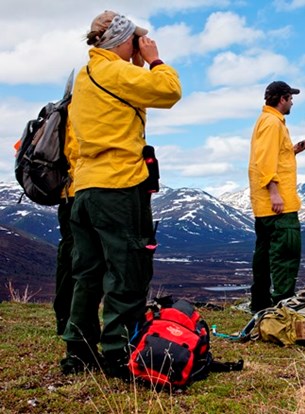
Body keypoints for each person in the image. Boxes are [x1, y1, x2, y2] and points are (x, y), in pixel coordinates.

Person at [60, 10, 182, 377]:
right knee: (126, 271)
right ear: (123, 40)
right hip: (118, 186)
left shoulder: (84, 75)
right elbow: (170, 91)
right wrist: (155, 59)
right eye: (135, 40)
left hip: (84, 189)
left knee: (88, 274)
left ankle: (78, 352)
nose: (139, 46)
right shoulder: (115, 71)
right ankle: (118, 353)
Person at [248, 81, 305, 313]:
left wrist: (292, 151)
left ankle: (261, 306)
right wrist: (274, 192)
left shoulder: (265, 122)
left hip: (265, 207)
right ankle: (284, 308)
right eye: (290, 98)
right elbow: (264, 159)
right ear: (282, 99)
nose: (292, 102)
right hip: (279, 205)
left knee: (265, 256)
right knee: (286, 254)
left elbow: (271, 155)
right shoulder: (273, 122)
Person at [52, 120, 79, 336]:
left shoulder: (64, 111)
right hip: (88, 188)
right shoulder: (88, 105)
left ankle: (65, 320)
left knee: (69, 257)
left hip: (68, 194)